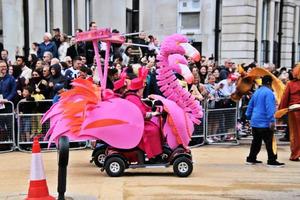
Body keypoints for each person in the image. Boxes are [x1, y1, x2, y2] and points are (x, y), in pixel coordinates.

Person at [245, 75, 285, 167]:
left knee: (256, 141)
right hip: (265, 121)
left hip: (255, 121)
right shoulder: (269, 93)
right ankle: (272, 160)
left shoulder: (257, 92)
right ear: (270, 83)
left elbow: (250, 105)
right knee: (269, 142)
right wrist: (272, 120)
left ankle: (251, 158)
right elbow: (269, 108)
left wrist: (248, 116)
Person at [278, 64, 300, 161]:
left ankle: (295, 154)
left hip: (294, 111)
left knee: (295, 134)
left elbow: (285, 99)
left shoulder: (290, 84)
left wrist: (280, 111)